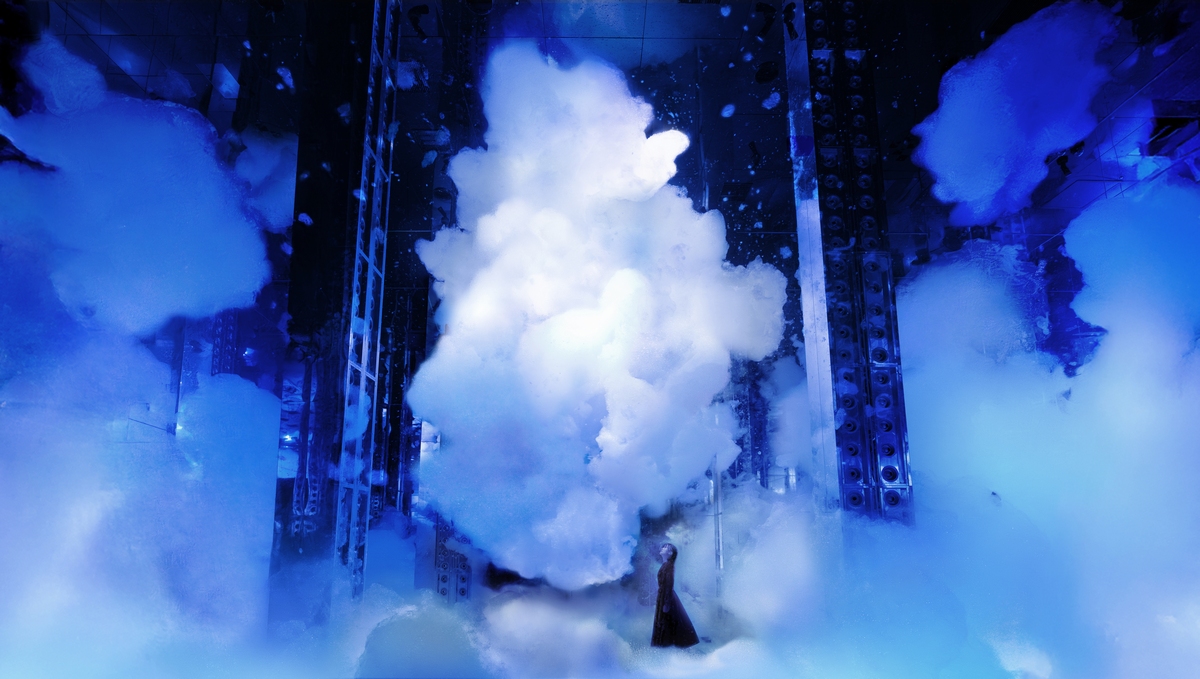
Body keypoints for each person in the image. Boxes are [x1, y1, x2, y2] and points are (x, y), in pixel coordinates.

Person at [651, 543, 699, 648]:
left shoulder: (668, 566)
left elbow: (669, 584)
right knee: (669, 621)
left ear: (670, 553)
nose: (662, 548)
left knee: (668, 621)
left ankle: (667, 644)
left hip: (666, 596)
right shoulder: (666, 565)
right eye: (663, 547)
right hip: (664, 595)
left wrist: (666, 602)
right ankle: (668, 644)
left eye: (665, 548)